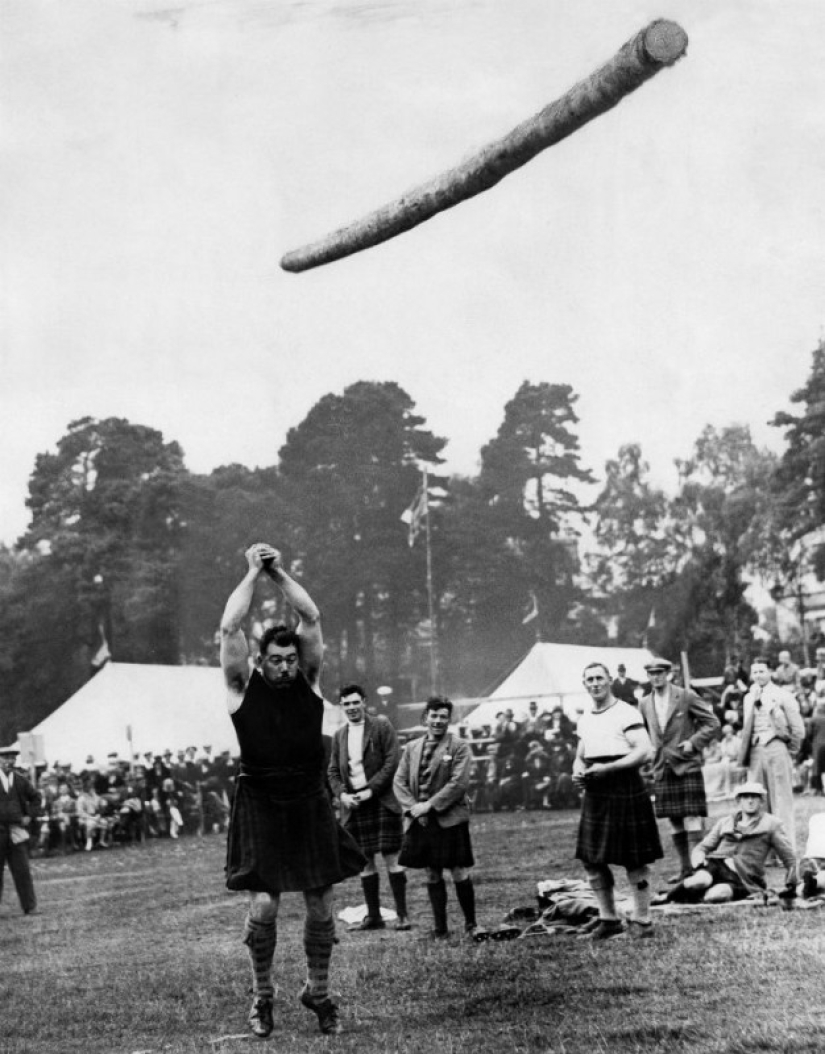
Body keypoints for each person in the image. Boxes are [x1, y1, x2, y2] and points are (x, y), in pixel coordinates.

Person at [220, 542, 364, 1040]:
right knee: (263, 906)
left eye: (289, 659)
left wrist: (278, 572)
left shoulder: (309, 681)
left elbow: (312, 617)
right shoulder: (241, 687)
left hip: (308, 801)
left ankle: (318, 992)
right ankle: (262, 996)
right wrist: (250, 573)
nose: (284, 666)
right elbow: (229, 629)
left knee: (321, 905)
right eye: (275, 660)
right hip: (261, 801)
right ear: (259, 661)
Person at [572, 663, 662, 939]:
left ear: (610, 680)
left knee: (634, 859)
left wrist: (609, 769)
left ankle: (643, 921)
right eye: (589, 679)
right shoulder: (585, 718)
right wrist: (577, 769)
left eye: (599, 678)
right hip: (596, 790)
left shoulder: (626, 712)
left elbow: (645, 751)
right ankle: (608, 919)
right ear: (584, 684)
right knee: (591, 858)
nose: (595, 683)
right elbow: (580, 755)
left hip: (624, 785)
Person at [393, 696, 485, 939]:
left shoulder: (459, 746)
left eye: (443, 717)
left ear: (449, 720)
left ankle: (471, 924)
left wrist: (430, 806)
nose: (438, 721)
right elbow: (399, 781)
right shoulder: (412, 748)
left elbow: (458, 783)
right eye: (434, 716)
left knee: (458, 870)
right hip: (421, 820)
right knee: (432, 872)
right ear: (425, 718)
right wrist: (413, 808)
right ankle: (440, 928)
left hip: (449, 819)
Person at [327, 683, 410, 931]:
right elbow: (333, 771)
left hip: (382, 800)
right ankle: (374, 917)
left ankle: (403, 915)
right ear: (341, 707)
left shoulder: (381, 726)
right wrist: (342, 794)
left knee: (391, 856)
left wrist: (371, 790)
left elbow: (392, 761)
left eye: (355, 702)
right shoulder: (339, 735)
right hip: (354, 806)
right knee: (364, 860)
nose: (352, 707)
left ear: (364, 702)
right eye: (346, 704)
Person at [639, 657, 720, 882]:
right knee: (674, 820)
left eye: (660, 673)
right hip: (661, 766)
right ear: (648, 676)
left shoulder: (686, 696)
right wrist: (649, 751)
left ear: (669, 674)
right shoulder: (644, 703)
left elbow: (712, 723)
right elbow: (643, 733)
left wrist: (693, 743)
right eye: (652, 674)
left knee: (692, 816)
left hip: (686, 764)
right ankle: (685, 869)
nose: (656, 677)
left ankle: (698, 868)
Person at [653, 782, 796, 905]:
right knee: (700, 880)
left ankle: (690, 895)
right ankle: (667, 897)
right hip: (716, 865)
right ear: (739, 801)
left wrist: (792, 885)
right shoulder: (726, 822)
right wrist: (698, 861)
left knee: (715, 896)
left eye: (754, 797)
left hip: (743, 877)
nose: (750, 801)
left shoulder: (772, 824)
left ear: (762, 801)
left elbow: (789, 859)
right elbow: (702, 847)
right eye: (746, 797)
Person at [739, 658, 805, 852]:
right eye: (755, 672)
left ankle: (785, 850)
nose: (758, 675)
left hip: (777, 747)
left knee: (781, 801)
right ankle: (763, 852)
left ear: (770, 672)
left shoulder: (782, 695)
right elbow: (746, 727)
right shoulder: (748, 697)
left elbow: (798, 729)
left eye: (762, 671)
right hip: (755, 751)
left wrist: (789, 750)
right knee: (757, 801)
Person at [0, 745, 39, 915]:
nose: (9, 762)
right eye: (5, 758)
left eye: (12, 758)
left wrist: (29, 815)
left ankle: (29, 906)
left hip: (16, 831)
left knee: (22, 870)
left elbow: (36, 798)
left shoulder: (21, 780)